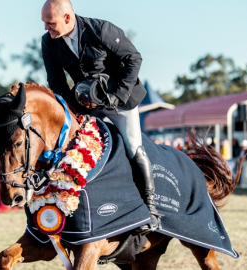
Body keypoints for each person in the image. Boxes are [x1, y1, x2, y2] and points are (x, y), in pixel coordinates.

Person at [41, 0, 161, 230]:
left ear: (67, 18)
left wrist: (118, 95)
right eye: (44, 23)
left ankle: (151, 210)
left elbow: (133, 59)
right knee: (74, 148)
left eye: (50, 22)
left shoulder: (101, 30)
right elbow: (56, 81)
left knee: (133, 146)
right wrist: (73, 111)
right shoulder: (49, 42)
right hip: (85, 102)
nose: (46, 28)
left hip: (120, 100)